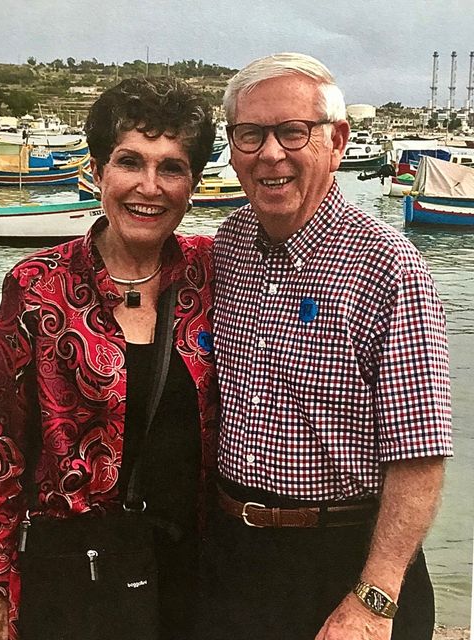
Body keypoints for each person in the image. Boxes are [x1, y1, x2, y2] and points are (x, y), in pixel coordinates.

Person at [198, 53, 453, 640]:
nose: (270, 154)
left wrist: (374, 600)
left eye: (293, 131)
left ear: (336, 141)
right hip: (234, 560)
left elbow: (420, 456)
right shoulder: (227, 248)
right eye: (249, 134)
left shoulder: (389, 267)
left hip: (347, 558)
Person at [0, 77, 217, 640]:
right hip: (77, 580)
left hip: (192, 577)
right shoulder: (38, 286)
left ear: (193, 184)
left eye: (172, 168)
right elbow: (2, 445)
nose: (150, 186)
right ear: (96, 171)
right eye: (129, 162)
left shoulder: (211, 273)